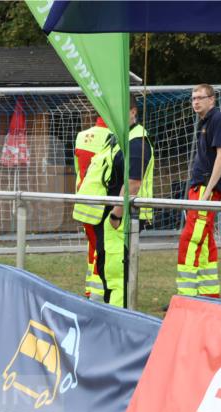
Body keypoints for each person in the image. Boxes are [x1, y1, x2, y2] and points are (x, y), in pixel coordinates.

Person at [178, 84, 221, 298]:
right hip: (200, 187)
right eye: (193, 98)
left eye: (200, 97)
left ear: (212, 100)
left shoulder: (219, 120)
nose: (196, 102)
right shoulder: (206, 122)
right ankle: (209, 294)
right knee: (205, 239)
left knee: (190, 238)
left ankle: (185, 295)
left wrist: (208, 191)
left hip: (206, 189)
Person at [99, 97, 154, 308]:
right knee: (108, 266)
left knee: (116, 270)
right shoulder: (120, 138)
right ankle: (111, 309)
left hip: (123, 216)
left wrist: (116, 214)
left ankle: (118, 314)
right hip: (115, 212)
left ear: (133, 112)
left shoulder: (137, 141)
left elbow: (133, 183)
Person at [72, 116, 111, 300]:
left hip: (83, 199)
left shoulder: (81, 136)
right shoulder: (113, 137)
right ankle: (98, 292)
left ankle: (90, 288)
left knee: (92, 246)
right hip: (102, 201)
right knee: (102, 248)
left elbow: (78, 173)